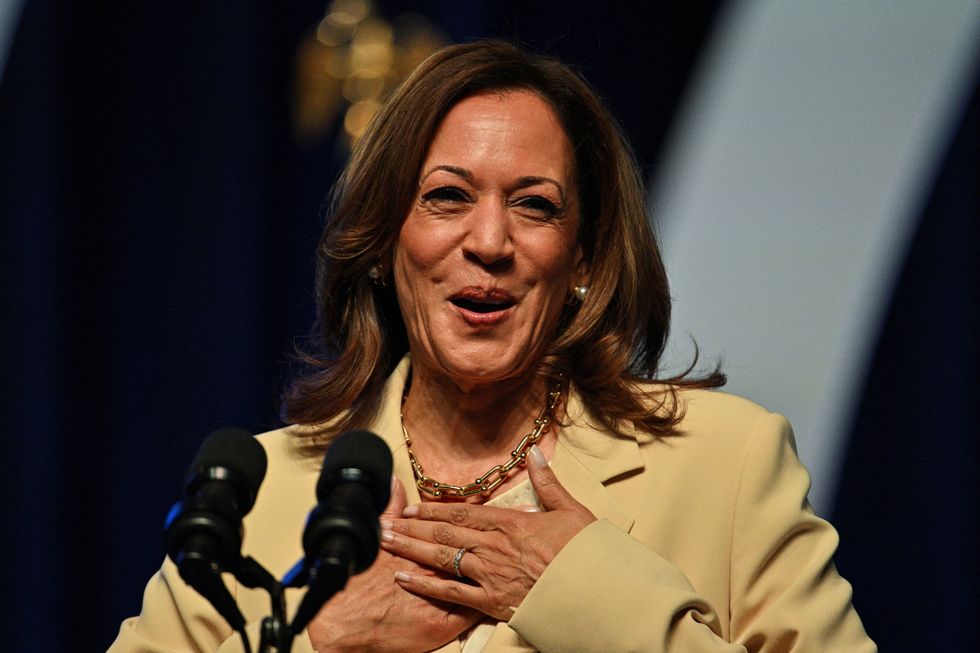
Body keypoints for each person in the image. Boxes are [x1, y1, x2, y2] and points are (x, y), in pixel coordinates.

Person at [109, 39, 876, 652]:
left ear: (582, 258)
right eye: (447, 196)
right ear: (384, 241)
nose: (489, 241)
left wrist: (583, 591)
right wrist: (321, 641)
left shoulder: (725, 462)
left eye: (535, 206)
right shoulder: (265, 492)